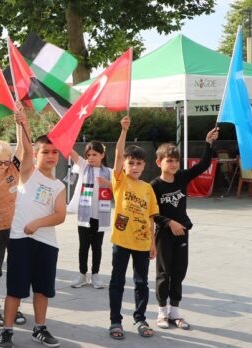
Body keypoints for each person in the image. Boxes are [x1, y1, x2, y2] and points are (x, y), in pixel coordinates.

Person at [0, 109, 66, 348]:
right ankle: (7, 331)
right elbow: (25, 148)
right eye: (45, 152)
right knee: (15, 290)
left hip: (47, 242)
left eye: (54, 152)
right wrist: (23, 124)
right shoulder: (28, 173)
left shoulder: (58, 185)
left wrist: (38, 223)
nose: (50, 156)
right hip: (20, 240)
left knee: (42, 289)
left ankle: (40, 328)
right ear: (36, 155)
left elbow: (60, 215)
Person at [151, 127, 219, 330]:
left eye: (175, 161)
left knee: (179, 272)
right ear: (159, 162)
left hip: (183, 233)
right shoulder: (153, 186)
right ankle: (162, 312)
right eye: (168, 160)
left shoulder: (181, 177)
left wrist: (208, 143)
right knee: (164, 273)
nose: (173, 164)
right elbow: (151, 213)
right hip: (164, 234)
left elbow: (204, 164)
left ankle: (175, 311)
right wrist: (169, 223)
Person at [107, 116, 159, 340]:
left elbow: (151, 217)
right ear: (125, 164)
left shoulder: (148, 188)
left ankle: (140, 318)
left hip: (142, 242)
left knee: (141, 283)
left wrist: (153, 243)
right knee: (117, 281)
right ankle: (115, 321)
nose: (135, 166)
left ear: (144, 165)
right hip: (121, 240)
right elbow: (118, 153)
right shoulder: (119, 180)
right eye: (131, 163)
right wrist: (124, 130)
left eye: (139, 163)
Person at [0, 138, 26, 327]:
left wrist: (20, 123)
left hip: (14, 227)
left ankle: (14, 306)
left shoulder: (13, 169)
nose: (3, 166)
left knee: (16, 269)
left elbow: (22, 146)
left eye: (6, 161)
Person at [67, 141, 113, 289]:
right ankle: (82, 275)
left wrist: (108, 183)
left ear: (102, 155)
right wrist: (59, 136)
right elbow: (71, 152)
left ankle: (95, 275)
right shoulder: (84, 166)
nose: (91, 158)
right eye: (88, 155)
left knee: (97, 246)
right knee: (83, 246)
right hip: (84, 216)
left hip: (100, 216)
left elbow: (119, 188)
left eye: (95, 154)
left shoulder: (109, 172)